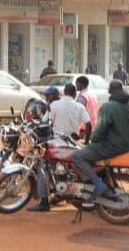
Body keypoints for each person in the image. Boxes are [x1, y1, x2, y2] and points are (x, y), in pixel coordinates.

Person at [28, 84, 92, 212]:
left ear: (63, 93)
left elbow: (44, 122)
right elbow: (89, 125)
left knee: (42, 166)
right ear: (74, 94)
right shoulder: (79, 107)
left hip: (57, 143)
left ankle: (44, 202)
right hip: (73, 144)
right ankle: (59, 194)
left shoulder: (55, 105)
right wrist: (84, 141)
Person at [72, 81, 129, 201]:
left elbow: (99, 131)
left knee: (77, 156)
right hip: (126, 147)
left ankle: (98, 184)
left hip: (110, 147)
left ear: (110, 91)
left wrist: (92, 139)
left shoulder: (108, 107)